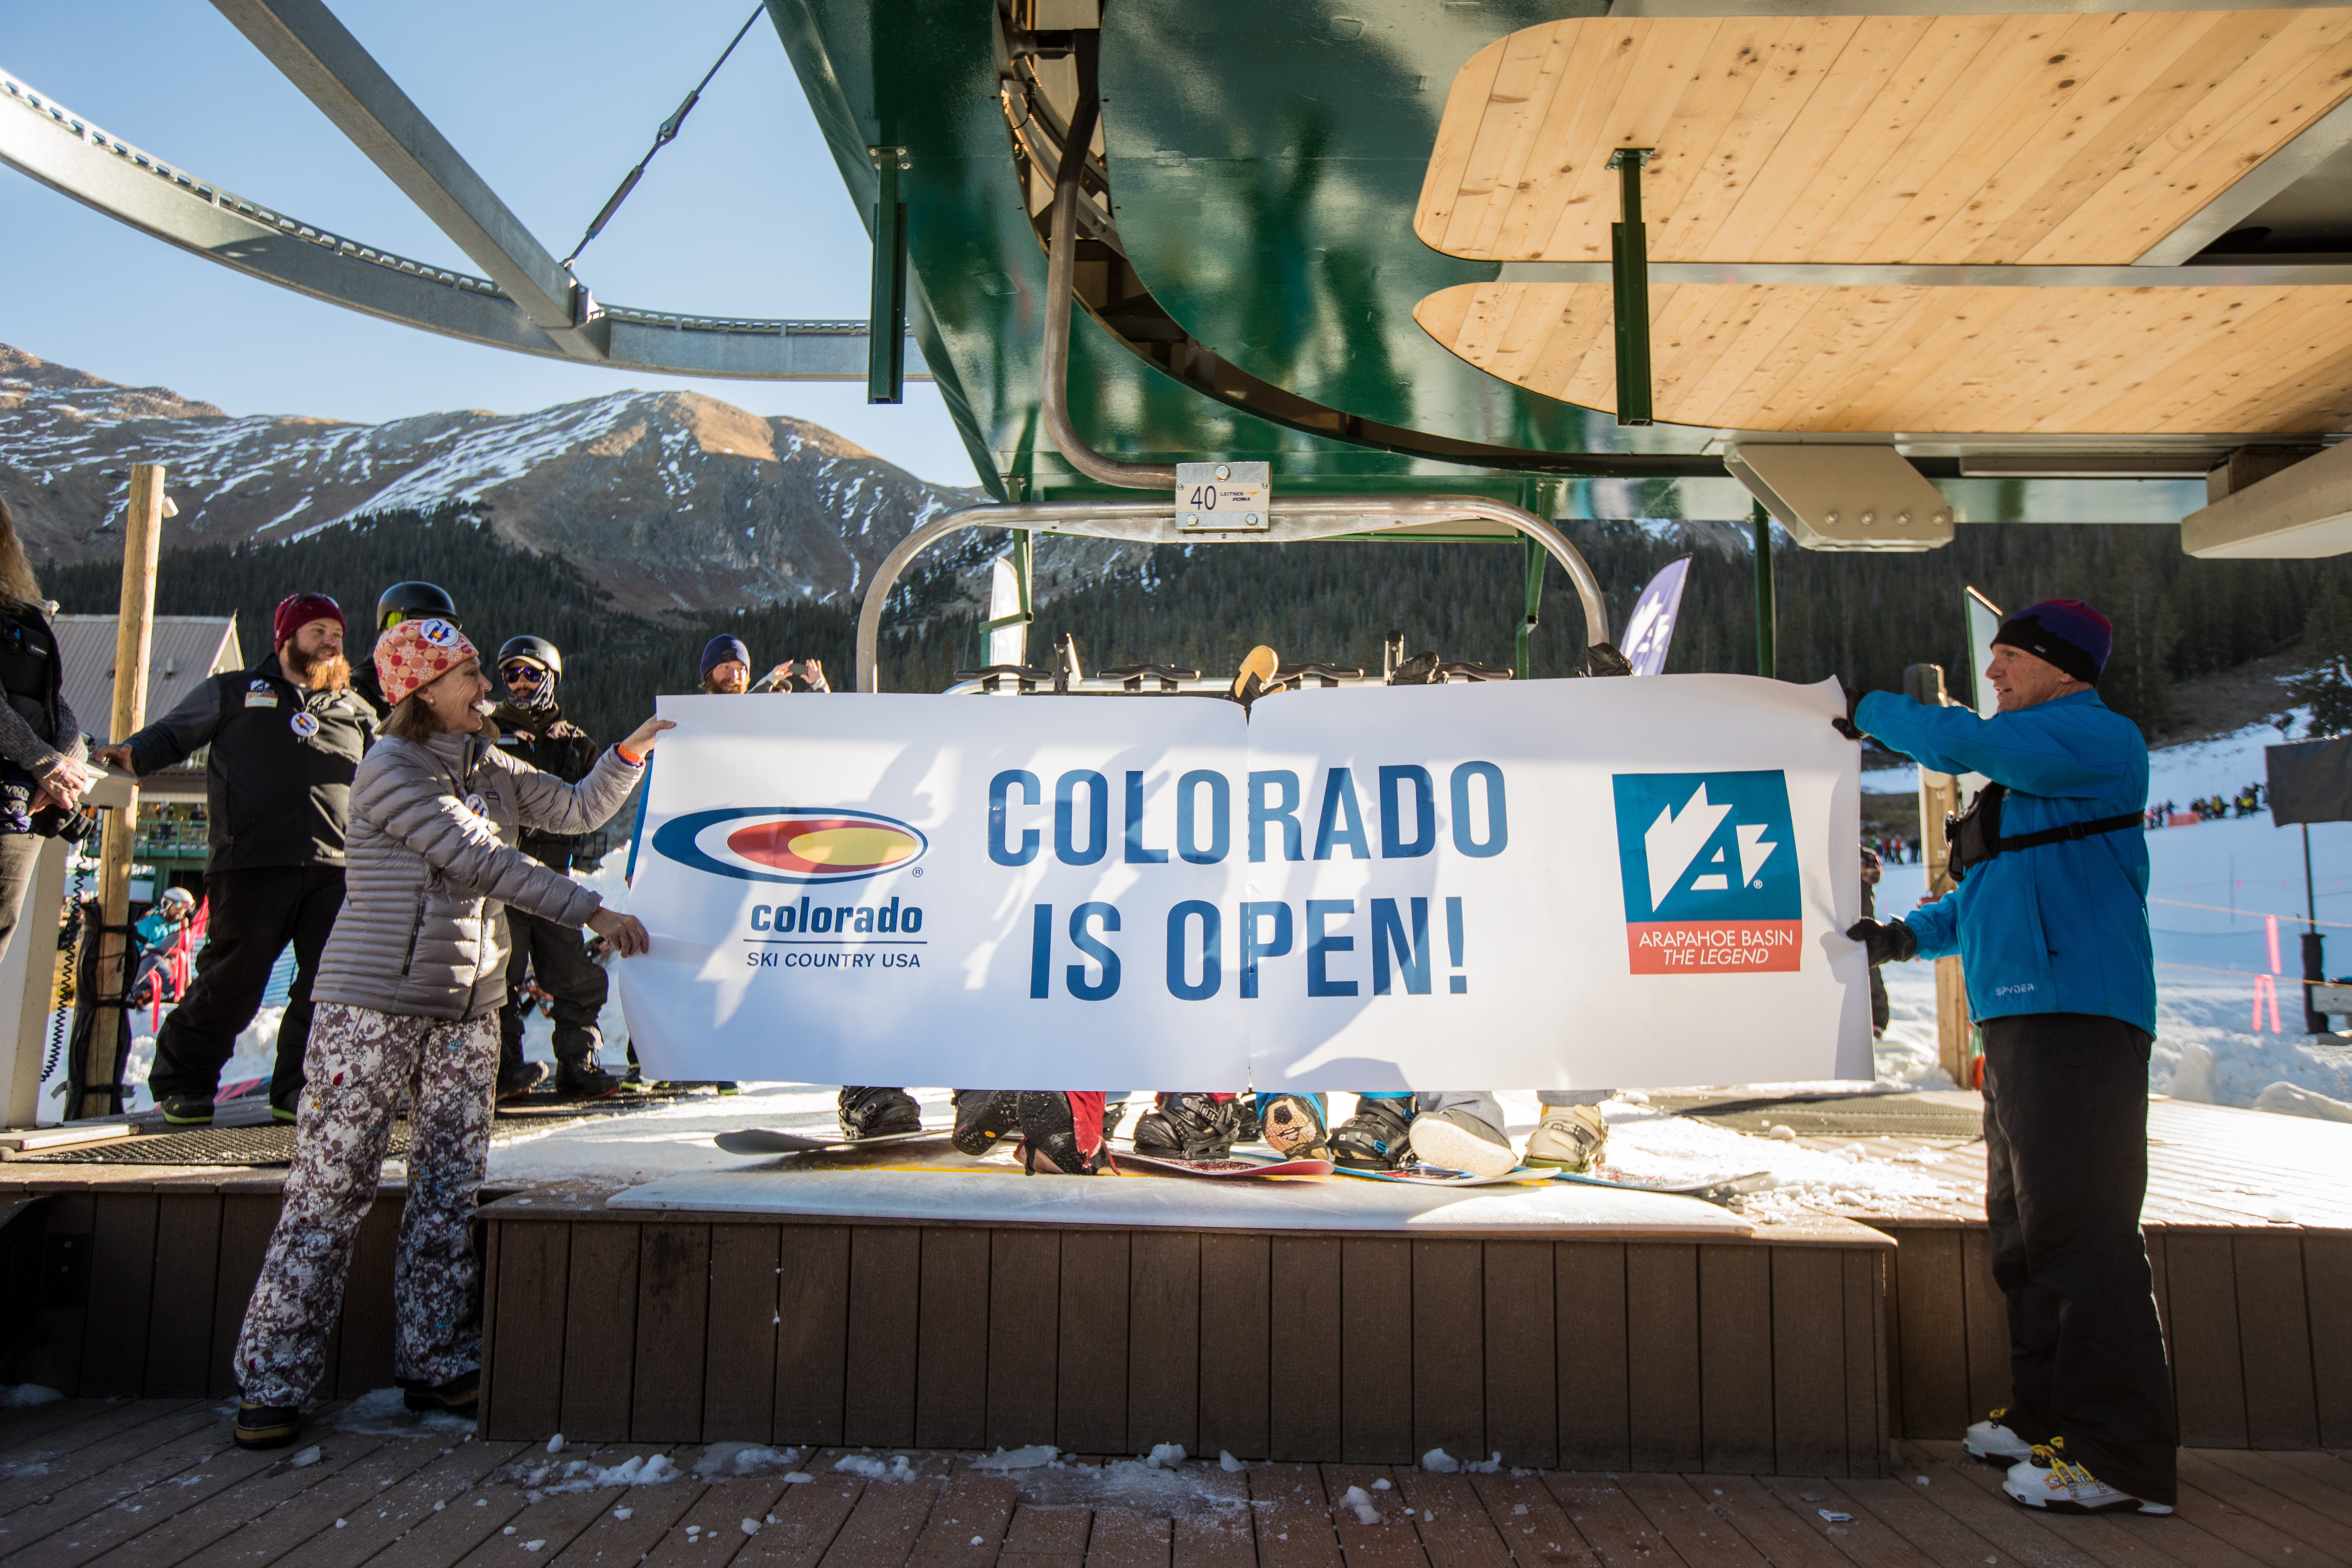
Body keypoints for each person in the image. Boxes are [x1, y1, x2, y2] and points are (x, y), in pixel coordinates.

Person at [229, 615, 665, 1450]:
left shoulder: (489, 764)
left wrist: (632, 750)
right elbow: (483, 862)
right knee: (331, 1189)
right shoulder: (391, 770)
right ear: (422, 692)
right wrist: (594, 912)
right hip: (373, 1007)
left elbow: (574, 811)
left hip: (468, 1011)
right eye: (468, 673)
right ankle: (273, 1380)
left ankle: (436, 1363)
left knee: (446, 1193)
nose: (485, 686)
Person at [1841, 597, 2171, 1516]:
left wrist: (1869, 710)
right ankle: (2046, 1419)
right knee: (2024, 1238)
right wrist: (1904, 939)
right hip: (2022, 1021)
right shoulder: (2028, 773)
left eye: (2009, 659)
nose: (1993, 674)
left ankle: (2125, 1458)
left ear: (2061, 666)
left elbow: (1965, 745)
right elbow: (1988, 897)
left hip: (2081, 1016)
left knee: (2085, 1235)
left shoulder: (2094, 741)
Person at [97, 594, 372, 1124]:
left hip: (336, 870)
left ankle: (299, 1089)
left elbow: (389, 776)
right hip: (249, 864)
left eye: (337, 633)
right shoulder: (235, 691)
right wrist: (133, 754)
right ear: (285, 638)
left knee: (327, 988)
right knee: (233, 981)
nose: (332, 641)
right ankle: (185, 1082)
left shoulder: (355, 710)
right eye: (318, 631)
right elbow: (174, 733)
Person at [486, 635, 619, 1100]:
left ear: (551, 678)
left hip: (556, 875)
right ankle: (502, 1069)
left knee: (573, 974)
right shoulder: (485, 732)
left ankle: (578, 1063)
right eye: (511, 674)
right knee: (500, 975)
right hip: (502, 874)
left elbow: (595, 798)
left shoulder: (577, 742)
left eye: (531, 674)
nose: (520, 683)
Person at [0, 497, 97, 966]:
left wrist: (68, 763)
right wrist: (47, 765)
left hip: (22, 806)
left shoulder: (25, 616)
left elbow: (57, 705)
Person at [350, 582, 458, 714]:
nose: (435, 640)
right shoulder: (361, 690)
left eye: (443, 632)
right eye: (426, 629)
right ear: (395, 628)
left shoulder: (442, 688)